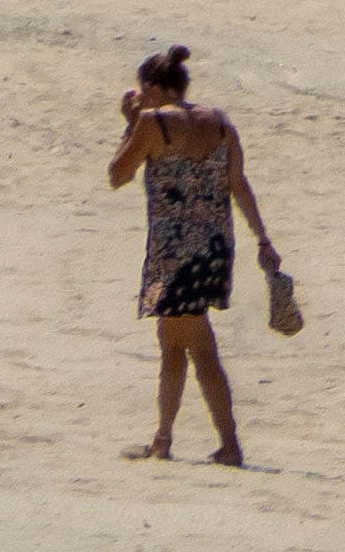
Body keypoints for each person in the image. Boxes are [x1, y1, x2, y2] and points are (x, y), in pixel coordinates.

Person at [106, 45, 278, 465]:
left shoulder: (151, 122)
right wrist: (262, 239)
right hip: (216, 247)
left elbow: (117, 175)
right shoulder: (219, 122)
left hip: (174, 252)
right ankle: (163, 439)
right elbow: (238, 183)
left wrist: (130, 125)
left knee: (199, 348)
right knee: (173, 343)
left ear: (151, 87)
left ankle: (230, 444)